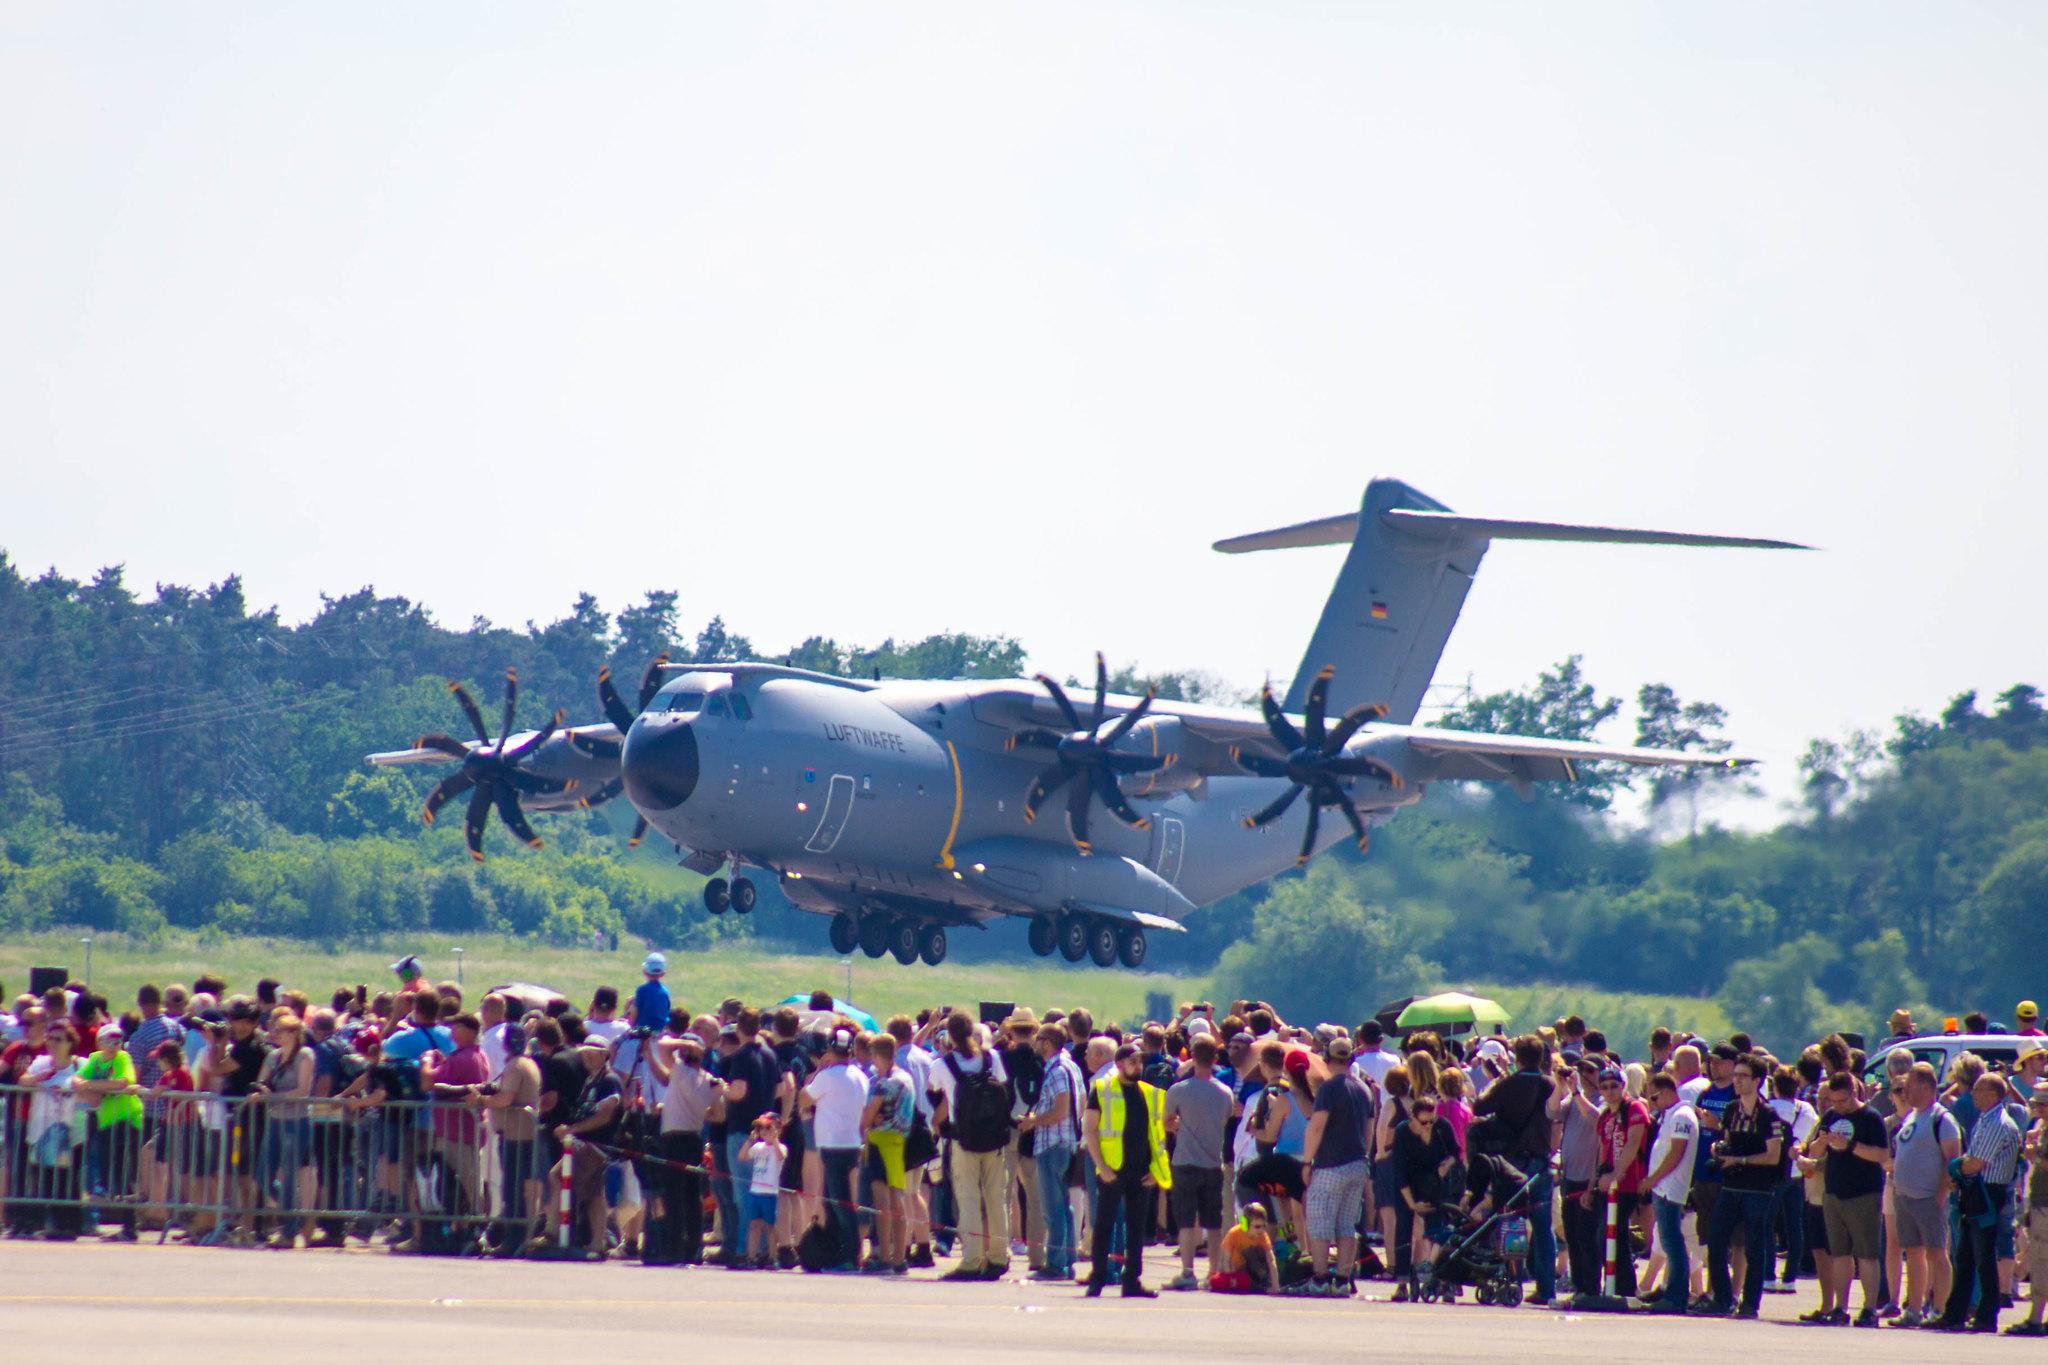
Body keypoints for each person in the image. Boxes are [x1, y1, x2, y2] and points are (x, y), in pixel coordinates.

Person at [1469, 1033, 1556, 1306]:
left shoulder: (1509, 1084)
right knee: (1543, 1226)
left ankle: (1513, 1280)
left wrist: (1497, 1079)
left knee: (1512, 1219)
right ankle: (1546, 1287)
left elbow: (1479, 1106)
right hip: (1541, 1158)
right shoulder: (1549, 1085)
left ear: (1517, 1057)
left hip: (1512, 1160)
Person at [1933, 1071, 2023, 1333]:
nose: (1973, 1094)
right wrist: (1962, 1169)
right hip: (1975, 1191)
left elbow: (1975, 1163)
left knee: (1984, 1257)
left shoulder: (1999, 1123)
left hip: (1989, 1193)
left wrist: (1956, 1166)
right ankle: (1955, 1312)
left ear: (1995, 1095)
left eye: (1979, 1090)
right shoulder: (1985, 1119)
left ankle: (1986, 1314)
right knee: (1966, 1256)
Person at [1702, 1054, 1789, 1319]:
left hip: (1758, 1189)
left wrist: (1740, 1159)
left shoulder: (1768, 1115)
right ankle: (1723, 1298)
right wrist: (1719, 1149)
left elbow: (1773, 1155)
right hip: (1731, 1186)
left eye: (1743, 1076)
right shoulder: (1731, 1110)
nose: (1737, 1081)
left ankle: (1750, 1303)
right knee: (1716, 1242)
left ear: (1757, 1081)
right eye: (1736, 1075)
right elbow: (1727, 1139)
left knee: (1754, 1246)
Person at [931, 1011, 1011, 1281]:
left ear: (949, 1036)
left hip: (963, 1138)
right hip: (994, 1138)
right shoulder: (992, 1058)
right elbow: (1003, 1090)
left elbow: (934, 1095)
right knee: (995, 1199)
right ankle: (999, 1255)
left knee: (968, 1199)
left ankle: (972, 1258)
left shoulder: (943, 1065)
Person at [1888, 1061, 1961, 1327]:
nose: (1905, 1091)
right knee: (1914, 1253)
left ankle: (1938, 1309)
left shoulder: (1942, 1119)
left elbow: (1952, 1161)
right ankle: (1914, 1309)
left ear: (1926, 1086)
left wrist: (1941, 1195)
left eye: (1909, 1086)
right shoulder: (1913, 1115)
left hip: (1929, 1199)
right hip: (1905, 1198)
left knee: (1936, 1254)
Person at [1299, 1036, 1374, 1296]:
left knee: (1319, 1221)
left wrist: (1307, 1162)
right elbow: (1369, 1129)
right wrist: (1362, 1155)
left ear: (1328, 1059)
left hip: (1331, 1163)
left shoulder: (1329, 1088)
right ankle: (1343, 1279)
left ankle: (1320, 1279)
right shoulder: (1363, 1089)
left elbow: (1317, 1126)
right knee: (1346, 1225)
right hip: (1357, 1162)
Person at [1161, 1032, 1235, 1291]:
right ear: (1215, 1058)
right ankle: (1213, 1271)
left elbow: (1167, 1122)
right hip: (1213, 1161)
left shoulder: (1178, 1090)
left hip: (1185, 1160)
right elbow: (1225, 1120)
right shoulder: (1225, 1092)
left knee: (1186, 1220)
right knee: (1212, 1221)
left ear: (1192, 1057)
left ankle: (1187, 1271)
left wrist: (1179, 1125)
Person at [1813, 1071, 1888, 1326]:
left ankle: (1869, 1308)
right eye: (1834, 1101)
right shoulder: (1831, 1116)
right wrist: (1822, 1143)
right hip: (1834, 1192)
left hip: (1863, 1194)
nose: (1838, 1106)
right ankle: (1840, 1306)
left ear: (1853, 1093)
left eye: (1842, 1101)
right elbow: (1813, 1150)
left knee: (1867, 1254)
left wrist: (1851, 1146)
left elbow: (1881, 1154)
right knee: (1839, 1254)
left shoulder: (1871, 1118)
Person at [1019, 1022, 1083, 1283]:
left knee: (1052, 1208)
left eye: (1039, 1038)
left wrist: (1034, 1121)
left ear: (1047, 1042)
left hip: (1053, 1145)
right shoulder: (1071, 1066)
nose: (1035, 1042)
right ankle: (1066, 1259)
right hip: (1065, 1143)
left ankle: (1056, 1263)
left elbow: (1061, 1109)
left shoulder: (1057, 1070)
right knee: (1064, 1207)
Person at [800, 1026, 869, 1273]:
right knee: (833, 1202)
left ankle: (850, 1256)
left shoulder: (827, 1076)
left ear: (830, 1049)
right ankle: (835, 1251)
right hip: (851, 1143)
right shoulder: (860, 1075)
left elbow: (804, 1099)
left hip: (832, 1146)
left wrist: (819, 1069)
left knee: (839, 1204)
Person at [72, 1022, 143, 1241]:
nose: (114, 1044)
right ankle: (123, 1221)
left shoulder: (122, 1058)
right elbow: (77, 1080)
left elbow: (122, 1083)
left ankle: (129, 1227)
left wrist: (92, 1085)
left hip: (127, 1119)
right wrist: (91, 1084)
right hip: (106, 1122)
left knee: (124, 1173)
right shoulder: (94, 1059)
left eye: (118, 1040)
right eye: (109, 1040)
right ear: (99, 1042)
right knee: (109, 1170)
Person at [553, 1042, 622, 1258]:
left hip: (595, 1145)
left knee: (559, 1177)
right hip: (584, 1143)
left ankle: (558, 1233)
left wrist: (573, 1130)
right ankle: (597, 1241)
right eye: (585, 1054)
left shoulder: (609, 1081)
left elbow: (605, 1114)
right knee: (594, 1194)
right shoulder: (590, 1080)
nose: (588, 1058)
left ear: (605, 1056)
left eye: (594, 1054)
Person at [1641, 1073, 1698, 1313]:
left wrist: (1653, 1179)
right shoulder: (1671, 1115)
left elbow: (1676, 1153)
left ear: (1666, 1092)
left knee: (1673, 1242)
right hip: (1663, 1186)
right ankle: (1668, 1288)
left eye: (1654, 1097)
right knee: (1667, 1240)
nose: (1652, 1103)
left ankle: (1676, 1295)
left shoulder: (1682, 1115)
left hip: (1670, 1186)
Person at [1592, 1065, 1650, 1299]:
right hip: (1608, 1183)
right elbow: (1601, 1150)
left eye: (1614, 1086)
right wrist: (1592, 1184)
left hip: (1628, 1183)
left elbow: (1633, 1142)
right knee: (1610, 1236)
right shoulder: (1605, 1115)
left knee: (1612, 1234)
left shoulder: (1634, 1108)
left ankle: (1624, 1287)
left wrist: (1616, 1173)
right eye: (1604, 1087)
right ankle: (1617, 1285)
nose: (1609, 1091)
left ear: (1623, 1086)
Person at [860, 1032, 915, 1274]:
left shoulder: (883, 1082)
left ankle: (883, 1255)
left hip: (880, 1140)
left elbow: (868, 1116)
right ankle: (899, 1256)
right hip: (899, 1140)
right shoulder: (906, 1078)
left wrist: (867, 1123)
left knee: (882, 1199)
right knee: (898, 1196)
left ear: (876, 1054)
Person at [2009, 1081, 2048, 1337]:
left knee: (2042, 1261)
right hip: (2039, 1202)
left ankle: (2036, 1318)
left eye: (2043, 1104)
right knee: (2037, 1259)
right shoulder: (2041, 1127)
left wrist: (2035, 1154)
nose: (2039, 1109)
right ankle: (2036, 1315)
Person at [738, 1113, 787, 1266]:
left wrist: (775, 1139)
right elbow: (742, 1156)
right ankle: (751, 1256)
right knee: (754, 1225)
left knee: (770, 1226)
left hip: (769, 1193)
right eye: (760, 1128)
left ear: (777, 1129)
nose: (763, 1132)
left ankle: (773, 1257)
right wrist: (750, 1140)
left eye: (767, 1128)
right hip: (756, 1191)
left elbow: (781, 1156)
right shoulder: (758, 1147)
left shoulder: (781, 1147)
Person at [1210, 1201, 1277, 1294]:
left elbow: (1271, 1259)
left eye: (1263, 1226)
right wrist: (1231, 1277)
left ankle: (1262, 1280)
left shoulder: (1263, 1236)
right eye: (1257, 1227)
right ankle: (1253, 1284)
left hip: (1255, 1269)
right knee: (1215, 1281)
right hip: (1235, 1271)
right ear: (1245, 1224)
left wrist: (1275, 1285)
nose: (1261, 1230)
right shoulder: (1234, 1233)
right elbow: (1225, 1260)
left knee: (1253, 1251)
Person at [633, 955, 671, 1032]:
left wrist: (631, 1026)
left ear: (645, 971)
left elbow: (635, 1012)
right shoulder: (665, 991)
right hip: (661, 1030)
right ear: (663, 973)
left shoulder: (642, 989)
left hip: (643, 1030)